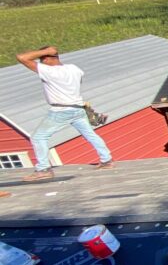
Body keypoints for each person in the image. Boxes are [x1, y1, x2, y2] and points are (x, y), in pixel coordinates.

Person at [15, 46, 113, 181]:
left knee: (38, 137)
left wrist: (46, 51)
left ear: (48, 58)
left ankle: (43, 169)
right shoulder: (74, 68)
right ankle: (106, 160)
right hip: (78, 107)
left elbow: (22, 57)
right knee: (90, 134)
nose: (41, 63)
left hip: (60, 110)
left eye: (42, 59)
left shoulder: (49, 71)